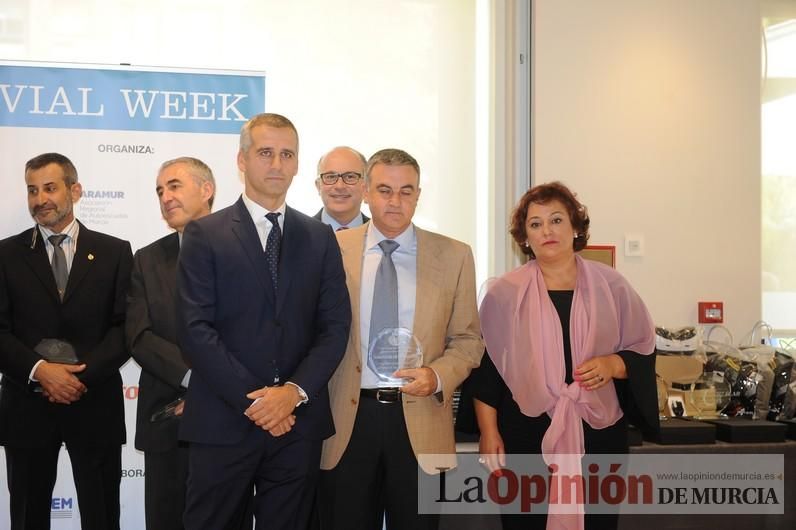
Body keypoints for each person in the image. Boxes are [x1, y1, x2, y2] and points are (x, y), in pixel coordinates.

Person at [176, 113, 351, 530]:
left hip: (296, 427)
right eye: (265, 153)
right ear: (241, 160)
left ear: (296, 164)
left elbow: (334, 328)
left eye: (286, 154)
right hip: (223, 423)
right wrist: (259, 402)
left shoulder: (319, 237)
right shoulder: (204, 233)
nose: (276, 164)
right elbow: (195, 331)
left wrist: (292, 393)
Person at [464, 181, 658, 530]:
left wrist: (614, 364)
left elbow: (642, 348)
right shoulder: (503, 294)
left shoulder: (613, 287)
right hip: (524, 432)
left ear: (575, 228)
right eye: (535, 224)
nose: (547, 231)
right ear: (524, 238)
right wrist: (488, 432)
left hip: (599, 431)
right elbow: (487, 372)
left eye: (556, 220)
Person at [318, 148, 484, 530]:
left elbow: (468, 339)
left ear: (418, 194)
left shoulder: (455, 255)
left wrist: (437, 375)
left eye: (406, 191)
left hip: (422, 419)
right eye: (384, 190)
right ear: (365, 192)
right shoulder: (331, 249)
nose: (395, 201)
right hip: (348, 420)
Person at [0, 152, 133, 530]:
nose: (40, 199)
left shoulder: (115, 251)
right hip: (27, 407)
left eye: (50, 188)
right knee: (27, 515)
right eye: (32, 190)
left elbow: (125, 327)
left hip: (94, 403)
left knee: (102, 514)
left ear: (75, 189)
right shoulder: (5, 255)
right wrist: (41, 372)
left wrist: (77, 378)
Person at [126, 157, 216, 530]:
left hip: (230, 422)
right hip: (166, 420)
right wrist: (192, 379)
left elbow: (255, 331)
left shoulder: (245, 250)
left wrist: (215, 387)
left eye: (175, 185)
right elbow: (138, 335)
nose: (166, 196)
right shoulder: (147, 259)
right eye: (160, 190)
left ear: (206, 190)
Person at [313, 146, 369, 230]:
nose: (340, 186)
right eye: (331, 177)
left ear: (366, 186)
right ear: (318, 186)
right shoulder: (296, 233)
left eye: (350, 177)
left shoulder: (386, 234)